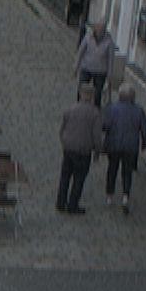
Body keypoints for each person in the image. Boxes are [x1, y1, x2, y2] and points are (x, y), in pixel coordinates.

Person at [99, 83, 146, 211]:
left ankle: (109, 195)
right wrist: (144, 144)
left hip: (114, 145)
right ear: (133, 97)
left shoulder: (112, 108)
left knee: (112, 169)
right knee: (127, 172)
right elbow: (145, 130)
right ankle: (125, 196)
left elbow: (104, 126)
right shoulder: (139, 110)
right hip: (130, 147)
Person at [57, 84, 101, 214]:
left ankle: (60, 202)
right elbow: (97, 136)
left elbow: (62, 129)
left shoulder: (70, 109)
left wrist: (64, 142)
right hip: (83, 151)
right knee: (79, 178)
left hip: (69, 148)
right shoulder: (95, 113)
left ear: (80, 94)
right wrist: (97, 151)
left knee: (65, 176)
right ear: (92, 97)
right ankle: (72, 205)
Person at [75, 21, 116, 104]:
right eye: (99, 29)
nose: (100, 32)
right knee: (82, 87)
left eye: (102, 30)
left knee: (98, 93)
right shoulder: (88, 37)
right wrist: (76, 66)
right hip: (86, 67)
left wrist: (109, 74)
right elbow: (80, 52)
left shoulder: (109, 41)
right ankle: (80, 105)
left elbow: (111, 59)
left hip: (100, 71)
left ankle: (95, 109)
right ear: (95, 29)